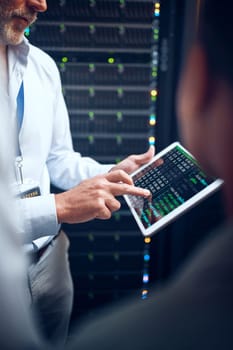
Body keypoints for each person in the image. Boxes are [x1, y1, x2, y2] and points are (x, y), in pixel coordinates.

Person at [0, 0, 154, 345]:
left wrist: (113, 173)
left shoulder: (41, 66)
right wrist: (59, 207)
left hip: (51, 261)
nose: (41, 3)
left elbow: (58, 158)